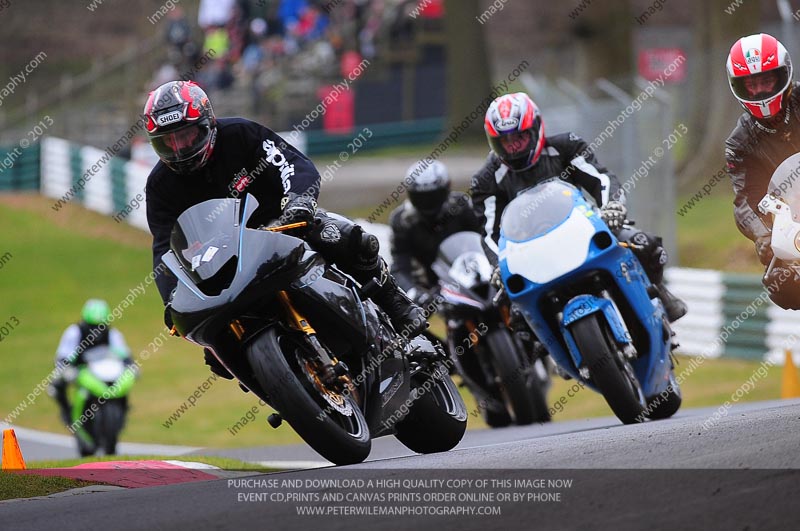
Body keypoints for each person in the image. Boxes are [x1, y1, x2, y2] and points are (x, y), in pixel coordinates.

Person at [143, 80, 426, 378]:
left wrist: (299, 201)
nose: (180, 149)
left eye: (186, 136)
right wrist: (171, 299)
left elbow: (290, 163)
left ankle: (395, 303)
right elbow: (165, 247)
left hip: (284, 223)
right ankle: (279, 384)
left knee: (345, 237)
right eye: (168, 142)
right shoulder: (160, 185)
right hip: (225, 258)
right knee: (215, 350)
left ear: (207, 123)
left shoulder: (241, 134)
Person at [471, 92, 687, 323]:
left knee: (644, 244)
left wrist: (612, 206)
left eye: (519, 138)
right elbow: (490, 231)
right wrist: (498, 265)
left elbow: (600, 178)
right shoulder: (486, 179)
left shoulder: (566, 146)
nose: (513, 147)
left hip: (582, 232)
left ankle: (658, 292)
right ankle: (541, 354)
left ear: (535, 130)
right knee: (513, 312)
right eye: (505, 141)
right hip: (528, 255)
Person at [725, 33, 800, 309]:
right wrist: (764, 235)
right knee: (781, 283)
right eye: (752, 84)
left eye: (767, 80)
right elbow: (746, 200)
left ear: (784, 76)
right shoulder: (740, 142)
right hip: (795, 221)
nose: (760, 91)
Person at [389, 160, 482, 307]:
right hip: (434, 289)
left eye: (433, 196)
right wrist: (414, 292)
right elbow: (400, 265)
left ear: (446, 189)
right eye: (422, 197)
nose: (428, 203)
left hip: (474, 273)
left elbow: (483, 238)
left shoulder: (462, 206)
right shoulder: (402, 221)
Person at [49, 299, 132, 427]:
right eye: (92, 326)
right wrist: (67, 368)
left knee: (123, 384)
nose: (96, 331)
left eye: (101, 326)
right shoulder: (74, 332)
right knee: (56, 385)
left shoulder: (112, 334)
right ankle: (66, 411)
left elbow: (123, 353)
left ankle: (123, 410)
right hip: (80, 369)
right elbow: (63, 355)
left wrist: (130, 365)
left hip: (103, 369)